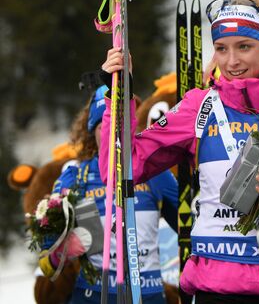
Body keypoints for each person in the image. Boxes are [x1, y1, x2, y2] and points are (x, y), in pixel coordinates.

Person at [99, 0, 259, 304]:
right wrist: (120, 95)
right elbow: (121, 169)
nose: (232, 62)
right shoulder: (199, 106)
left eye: (244, 47)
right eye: (222, 48)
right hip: (218, 292)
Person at [39, 85, 179, 304]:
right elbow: (46, 263)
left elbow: (190, 228)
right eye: (105, 126)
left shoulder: (154, 172)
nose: (113, 135)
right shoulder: (76, 176)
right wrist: (62, 251)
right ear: (92, 131)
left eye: (120, 126)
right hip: (93, 296)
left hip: (147, 295)